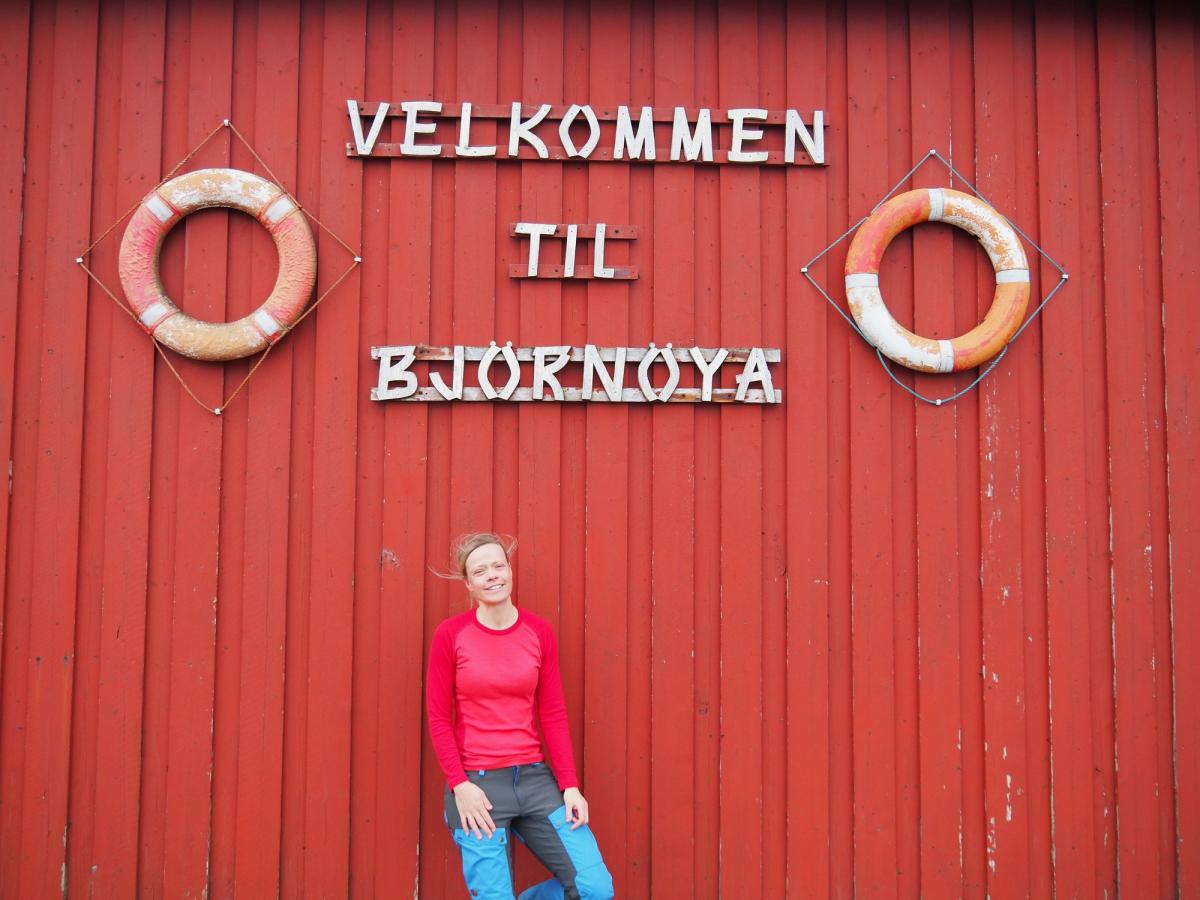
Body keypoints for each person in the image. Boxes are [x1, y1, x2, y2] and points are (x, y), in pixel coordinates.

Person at [426, 532, 614, 900]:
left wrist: (570, 785)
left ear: (510, 571)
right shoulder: (451, 635)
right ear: (469, 583)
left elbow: (553, 714)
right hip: (478, 787)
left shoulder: (538, 632)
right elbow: (437, 717)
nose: (492, 575)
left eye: (499, 565)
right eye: (481, 570)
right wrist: (459, 785)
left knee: (595, 889)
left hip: (535, 782)